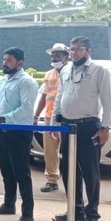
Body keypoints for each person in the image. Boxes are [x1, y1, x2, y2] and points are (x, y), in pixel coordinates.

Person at [51, 36, 111, 221]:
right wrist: (54, 120)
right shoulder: (66, 69)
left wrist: (105, 128)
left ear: (88, 51)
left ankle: (92, 214)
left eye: (79, 49)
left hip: (88, 127)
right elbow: (60, 95)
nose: (74, 53)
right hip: (68, 127)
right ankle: (75, 209)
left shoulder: (99, 71)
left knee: (90, 171)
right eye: (72, 49)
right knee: (68, 169)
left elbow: (108, 101)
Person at [0, 47, 37, 221]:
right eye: (4, 59)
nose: (4, 63)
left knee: (22, 174)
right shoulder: (3, 81)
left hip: (19, 133)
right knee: (6, 172)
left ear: (20, 63)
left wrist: (4, 118)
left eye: (9, 60)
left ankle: (28, 215)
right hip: (4, 132)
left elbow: (26, 108)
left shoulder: (27, 82)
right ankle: (9, 205)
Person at [33, 43, 69, 193]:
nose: (55, 58)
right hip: (49, 118)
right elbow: (43, 97)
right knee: (50, 152)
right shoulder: (50, 74)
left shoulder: (71, 72)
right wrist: (36, 115)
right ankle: (52, 180)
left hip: (67, 118)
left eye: (58, 55)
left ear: (66, 57)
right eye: (53, 55)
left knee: (69, 151)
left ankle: (71, 182)